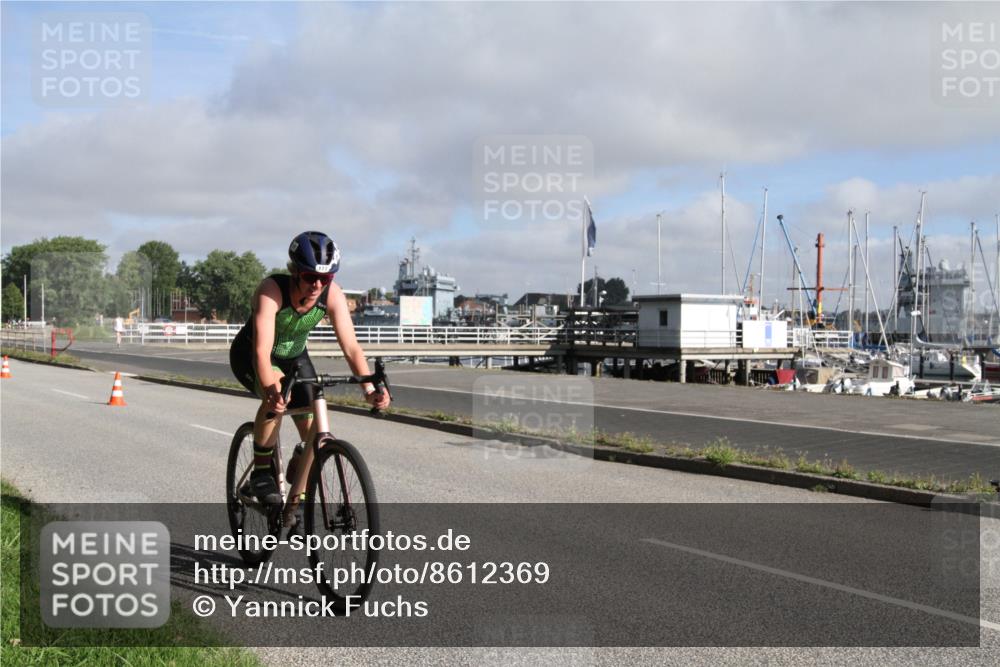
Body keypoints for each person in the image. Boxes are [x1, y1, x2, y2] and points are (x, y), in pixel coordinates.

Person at [229, 231, 390, 515]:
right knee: (276, 399)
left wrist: (369, 389)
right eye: (309, 277)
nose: (317, 284)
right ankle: (261, 473)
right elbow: (262, 353)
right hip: (253, 353)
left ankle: (298, 494)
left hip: (294, 356)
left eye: (325, 279)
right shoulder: (271, 290)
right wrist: (272, 390)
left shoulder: (332, 295)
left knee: (314, 425)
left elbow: (351, 347)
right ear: (295, 272)